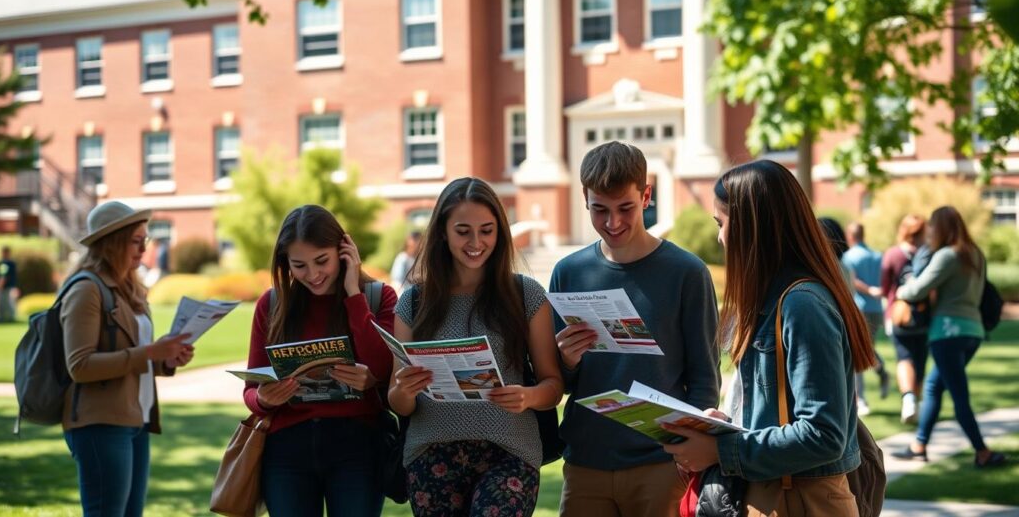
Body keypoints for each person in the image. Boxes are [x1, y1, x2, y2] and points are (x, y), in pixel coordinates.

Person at [663, 159, 877, 515]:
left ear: (752, 228)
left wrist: (720, 451)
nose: (719, 237)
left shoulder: (801, 305)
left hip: (800, 498)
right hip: (770, 492)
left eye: (722, 223)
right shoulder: (776, 299)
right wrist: (723, 426)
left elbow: (823, 435)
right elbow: (775, 414)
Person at [551, 142, 721, 517]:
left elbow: (705, 378)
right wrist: (566, 359)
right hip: (586, 462)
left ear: (646, 195)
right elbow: (559, 380)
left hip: (661, 462)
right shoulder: (569, 272)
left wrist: (688, 453)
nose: (613, 223)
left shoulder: (687, 273)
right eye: (600, 210)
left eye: (625, 208)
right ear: (585, 199)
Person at [387, 177, 563, 517]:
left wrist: (527, 396)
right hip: (431, 452)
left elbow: (553, 385)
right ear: (442, 232)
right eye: (463, 231)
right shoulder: (414, 302)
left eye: (487, 230)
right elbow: (399, 404)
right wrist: (405, 390)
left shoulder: (526, 295)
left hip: (510, 451)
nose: (476, 242)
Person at [243, 205, 397, 516]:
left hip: (358, 446)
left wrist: (354, 293)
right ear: (285, 263)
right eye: (299, 265)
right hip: (286, 449)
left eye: (322, 261)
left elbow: (383, 369)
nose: (312, 275)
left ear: (344, 252)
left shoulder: (380, 297)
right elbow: (250, 389)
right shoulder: (272, 304)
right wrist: (263, 398)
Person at [61, 201, 196, 516]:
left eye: (145, 240)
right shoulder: (86, 289)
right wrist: (150, 353)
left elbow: (135, 353)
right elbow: (79, 366)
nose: (144, 248)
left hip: (136, 417)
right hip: (100, 422)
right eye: (137, 241)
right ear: (113, 242)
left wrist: (166, 359)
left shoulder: (130, 287)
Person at [891, 206, 1007, 468]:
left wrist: (900, 291)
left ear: (940, 227)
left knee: (958, 396)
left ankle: (982, 452)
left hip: (947, 332)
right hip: (973, 332)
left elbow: (919, 289)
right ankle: (919, 445)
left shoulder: (947, 255)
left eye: (933, 226)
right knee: (934, 386)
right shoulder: (975, 254)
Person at [880, 214, 929, 424]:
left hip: (899, 315)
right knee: (920, 360)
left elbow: (884, 288)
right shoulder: (929, 254)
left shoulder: (892, 254)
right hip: (925, 316)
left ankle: (908, 398)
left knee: (904, 357)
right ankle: (915, 402)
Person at [843, 222, 890, 415]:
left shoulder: (848, 257)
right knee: (866, 349)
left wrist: (867, 290)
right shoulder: (877, 255)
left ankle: (860, 399)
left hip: (859, 308)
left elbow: (851, 280)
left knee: (857, 353)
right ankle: (881, 370)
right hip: (877, 309)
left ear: (850, 236)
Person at [0, 246, 19, 323]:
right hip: (9, 286)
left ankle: (4, 318)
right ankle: (10, 317)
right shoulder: (12, 263)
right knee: (9, 301)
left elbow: (3, 276)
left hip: (4, 287)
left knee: (4, 302)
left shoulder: (4, 263)